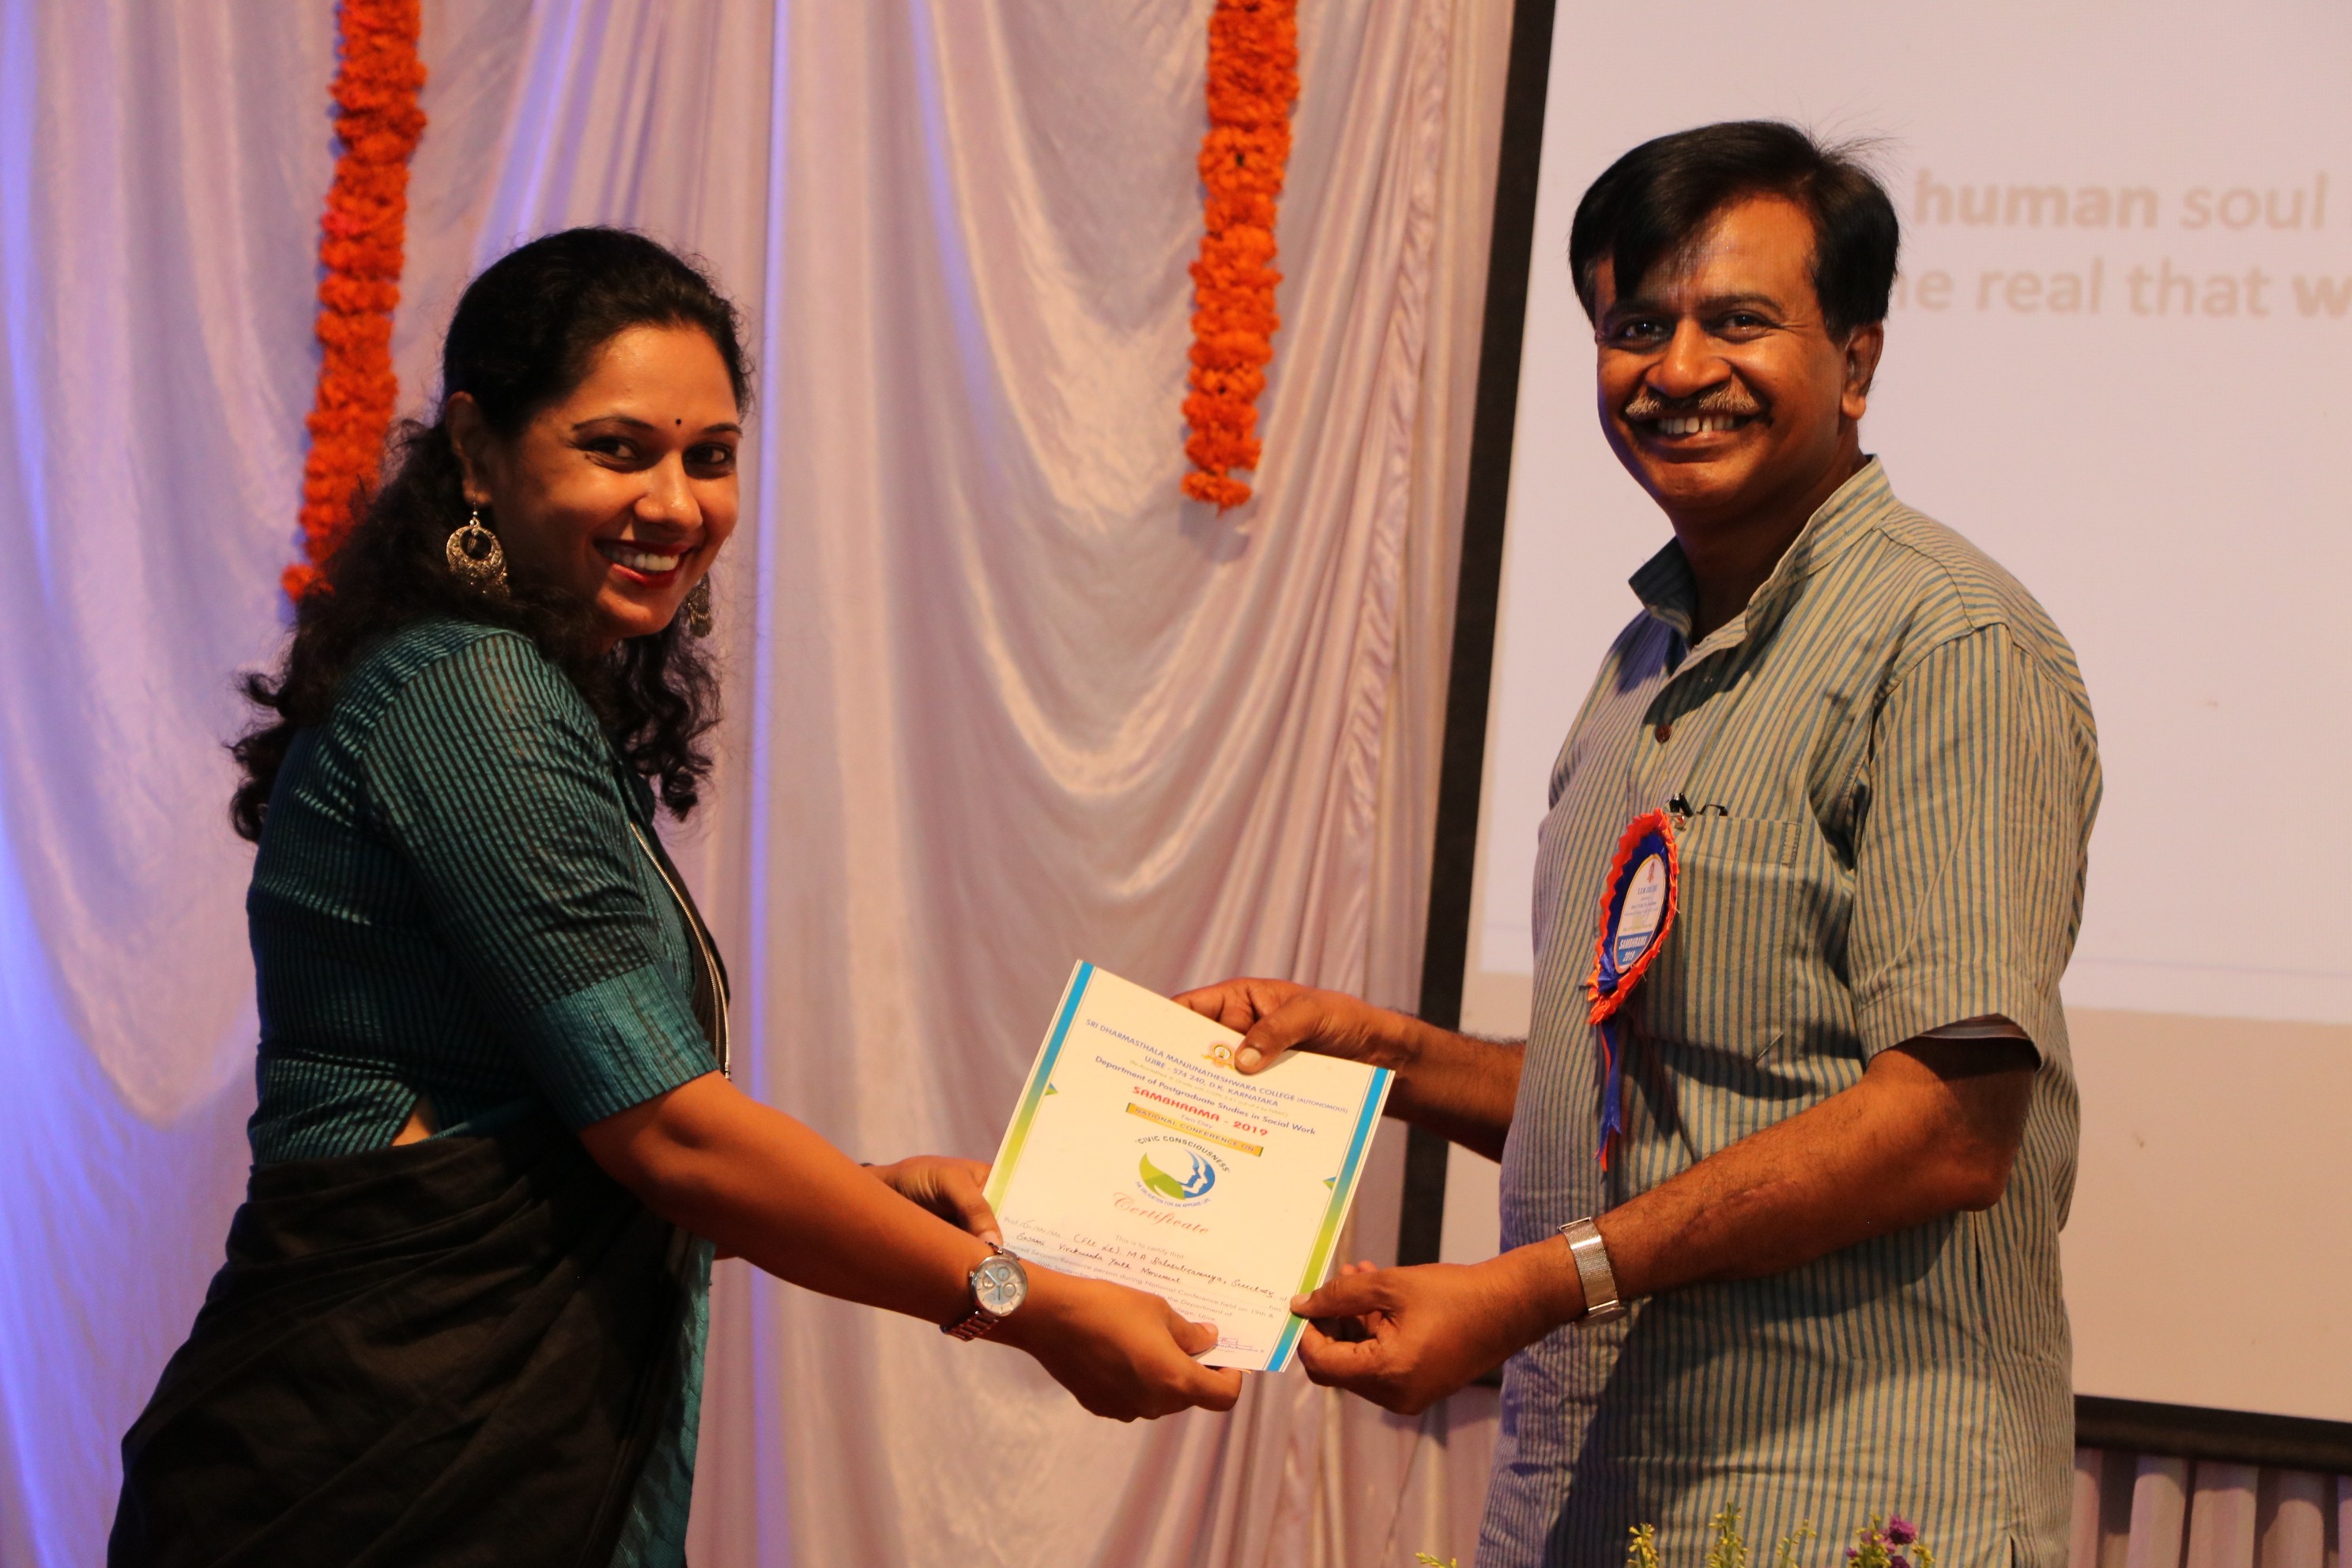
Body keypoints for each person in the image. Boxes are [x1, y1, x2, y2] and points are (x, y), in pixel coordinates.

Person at [111, 228, 1240, 1568]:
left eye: (710, 457)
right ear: (474, 450)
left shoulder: (517, 690)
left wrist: (880, 1201)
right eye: (618, 448)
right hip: (375, 1465)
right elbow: (671, 1140)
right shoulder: (467, 695)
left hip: (447, 1441)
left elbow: (563, 1147)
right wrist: (1021, 1302)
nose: (675, 503)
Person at [1179, 123, 2101, 1566]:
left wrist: (1530, 1288)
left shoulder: (1949, 642)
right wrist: (1367, 1052)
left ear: (1857, 360)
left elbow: (1945, 1130)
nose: (1677, 369)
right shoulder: (1638, 669)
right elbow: (1652, 1102)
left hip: (1842, 1505)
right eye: (1634, 327)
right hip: (1592, 1496)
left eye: (1738, 321)